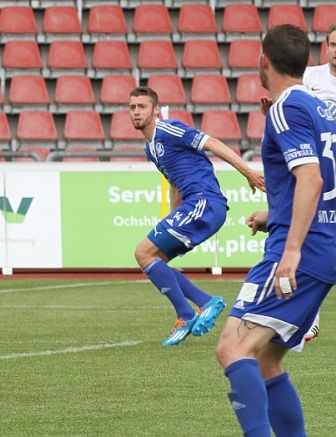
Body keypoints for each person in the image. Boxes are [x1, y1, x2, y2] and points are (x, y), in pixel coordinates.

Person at [215, 24, 336, 437]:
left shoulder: (287, 108)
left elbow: (312, 180)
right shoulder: (321, 108)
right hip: (322, 243)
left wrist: (292, 249)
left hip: (301, 250)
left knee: (233, 349)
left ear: (263, 60)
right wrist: (275, 213)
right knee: (266, 360)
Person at [127, 87, 266, 346]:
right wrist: (170, 220)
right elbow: (174, 183)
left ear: (155, 110)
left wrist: (247, 172)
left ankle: (187, 314)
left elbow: (212, 143)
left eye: (142, 106)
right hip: (193, 206)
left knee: (142, 252)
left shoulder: (168, 129)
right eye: (132, 107)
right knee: (154, 259)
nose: (136, 112)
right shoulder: (151, 148)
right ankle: (203, 302)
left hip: (204, 202)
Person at [296, 22, 336, 342]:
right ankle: (310, 317)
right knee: (312, 242)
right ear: (326, 46)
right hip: (320, 172)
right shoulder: (311, 77)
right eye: (333, 45)